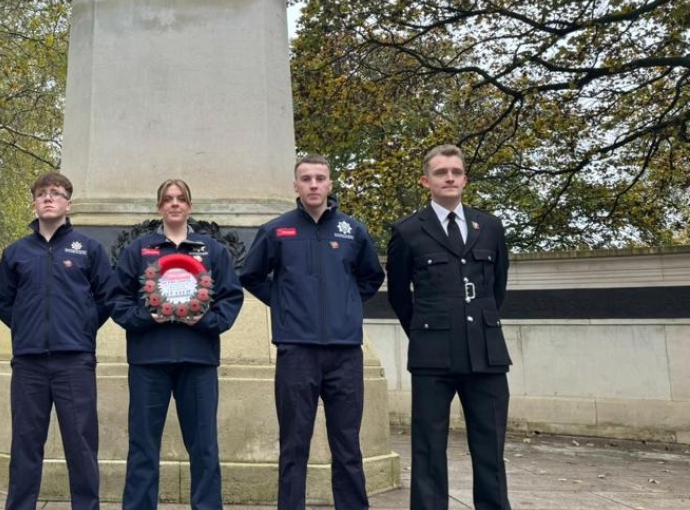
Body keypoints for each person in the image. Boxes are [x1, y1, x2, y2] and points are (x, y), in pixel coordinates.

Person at [239, 154, 385, 510]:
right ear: (296, 186)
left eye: (320, 178)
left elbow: (371, 277)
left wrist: (347, 305)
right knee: (293, 444)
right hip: (296, 353)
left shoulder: (353, 230)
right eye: (306, 178)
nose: (314, 185)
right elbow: (251, 275)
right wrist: (284, 304)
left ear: (330, 184)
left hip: (345, 354)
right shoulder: (277, 230)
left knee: (348, 445)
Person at [386, 144, 512, 510]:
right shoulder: (408, 231)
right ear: (426, 181)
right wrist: (428, 331)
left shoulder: (489, 227)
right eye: (441, 172)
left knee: (491, 448)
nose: (450, 178)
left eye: (456, 171)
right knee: (428, 448)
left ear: (465, 179)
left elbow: (497, 288)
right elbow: (398, 295)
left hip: (486, 355)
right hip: (433, 357)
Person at [111, 179, 245, 510]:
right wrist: (145, 316)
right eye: (168, 199)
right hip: (148, 360)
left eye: (180, 198)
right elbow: (116, 298)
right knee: (143, 446)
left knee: (204, 447)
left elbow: (231, 296)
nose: (174, 204)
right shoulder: (138, 250)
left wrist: (205, 321)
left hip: (198, 359)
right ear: (159, 207)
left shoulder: (212, 250)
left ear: (189, 205)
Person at [0, 171, 116, 510]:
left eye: (56, 193)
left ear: (68, 203)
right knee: (25, 445)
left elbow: (107, 297)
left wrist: (83, 327)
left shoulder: (88, 248)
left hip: (74, 361)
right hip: (29, 362)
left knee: (81, 444)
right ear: (34, 202)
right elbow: (3, 302)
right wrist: (27, 329)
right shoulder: (16, 252)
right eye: (42, 193)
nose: (49, 198)